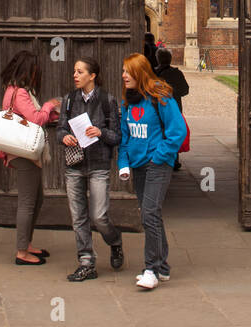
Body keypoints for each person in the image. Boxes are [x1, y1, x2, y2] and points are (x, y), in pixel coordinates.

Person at [119, 52, 186, 290]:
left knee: (148, 213)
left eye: (128, 71)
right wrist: (123, 163)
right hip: (137, 166)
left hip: (157, 164)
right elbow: (125, 136)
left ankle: (151, 269)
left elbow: (178, 131)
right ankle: (164, 267)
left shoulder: (161, 97)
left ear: (139, 72)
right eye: (124, 71)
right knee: (152, 214)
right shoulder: (128, 101)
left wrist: (160, 155)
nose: (124, 75)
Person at [56, 57, 124, 282]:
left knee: (99, 216)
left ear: (92, 75)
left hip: (98, 166)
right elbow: (60, 129)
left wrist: (100, 133)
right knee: (78, 217)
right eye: (74, 72)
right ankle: (86, 262)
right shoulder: (69, 100)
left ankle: (115, 241)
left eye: (79, 72)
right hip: (74, 165)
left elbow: (116, 136)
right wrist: (64, 137)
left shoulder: (107, 100)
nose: (75, 75)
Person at [0, 51, 60, 266]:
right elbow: (35, 119)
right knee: (27, 202)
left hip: (22, 151)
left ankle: (27, 243)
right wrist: (49, 105)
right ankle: (22, 252)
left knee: (37, 199)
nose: (38, 72)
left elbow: (27, 117)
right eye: (35, 69)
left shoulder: (13, 91)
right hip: (24, 153)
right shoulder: (20, 92)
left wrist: (50, 115)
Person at [155, 48, 189, 171]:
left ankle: (163, 157)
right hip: (174, 108)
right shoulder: (177, 73)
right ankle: (174, 159)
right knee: (173, 132)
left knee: (161, 132)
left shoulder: (153, 73)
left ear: (158, 59)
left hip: (159, 109)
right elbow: (185, 90)